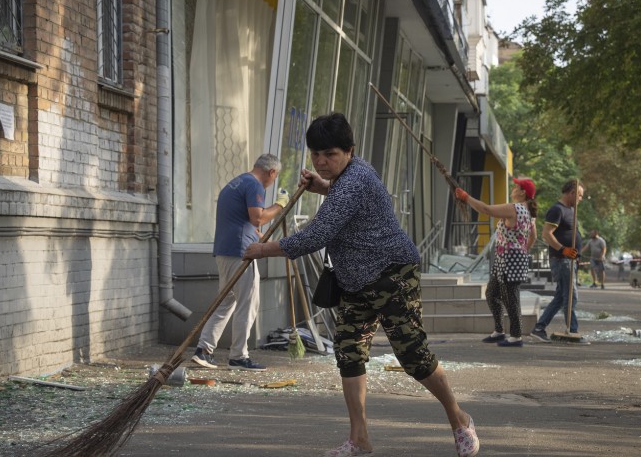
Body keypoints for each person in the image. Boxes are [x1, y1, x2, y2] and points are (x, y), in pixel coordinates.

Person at [243, 113, 479, 457]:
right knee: (349, 352)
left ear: (349, 151)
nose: (322, 162)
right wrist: (321, 185)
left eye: (330, 155)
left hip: (392, 274)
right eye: (316, 155)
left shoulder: (355, 181)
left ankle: (459, 420)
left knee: (414, 356)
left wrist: (262, 249)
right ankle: (360, 438)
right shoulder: (348, 177)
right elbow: (340, 198)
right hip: (355, 281)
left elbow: (317, 235)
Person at [189, 154, 290, 372]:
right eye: (275, 177)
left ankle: (203, 350)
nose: (272, 181)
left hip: (225, 251)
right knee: (248, 303)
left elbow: (243, 223)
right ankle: (238, 356)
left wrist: (263, 240)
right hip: (241, 253)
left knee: (225, 302)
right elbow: (258, 218)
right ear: (271, 172)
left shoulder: (234, 184)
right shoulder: (254, 185)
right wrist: (280, 205)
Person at [455, 177, 538, 347]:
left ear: (523, 192)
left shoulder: (514, 208)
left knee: (511, 297)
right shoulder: (528, 212)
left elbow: (486, 209)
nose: (513, 188)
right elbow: (533, 236)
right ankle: (499, 331)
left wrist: (466, 197)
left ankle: (516, 336)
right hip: (507, 258)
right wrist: (523, 249)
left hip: (509, 259)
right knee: (492, 294)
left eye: (517, 186)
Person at [530, 180, 584, 342]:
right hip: (561, 260)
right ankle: (572, 331)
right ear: (571, 193)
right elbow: (547, 234)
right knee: (570, 296)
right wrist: (563, 249)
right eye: (579, 195)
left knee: (561, 297)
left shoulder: (571, 210)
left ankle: (539, 328)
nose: (581, 199)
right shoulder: (557, 210)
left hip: (570, 260)